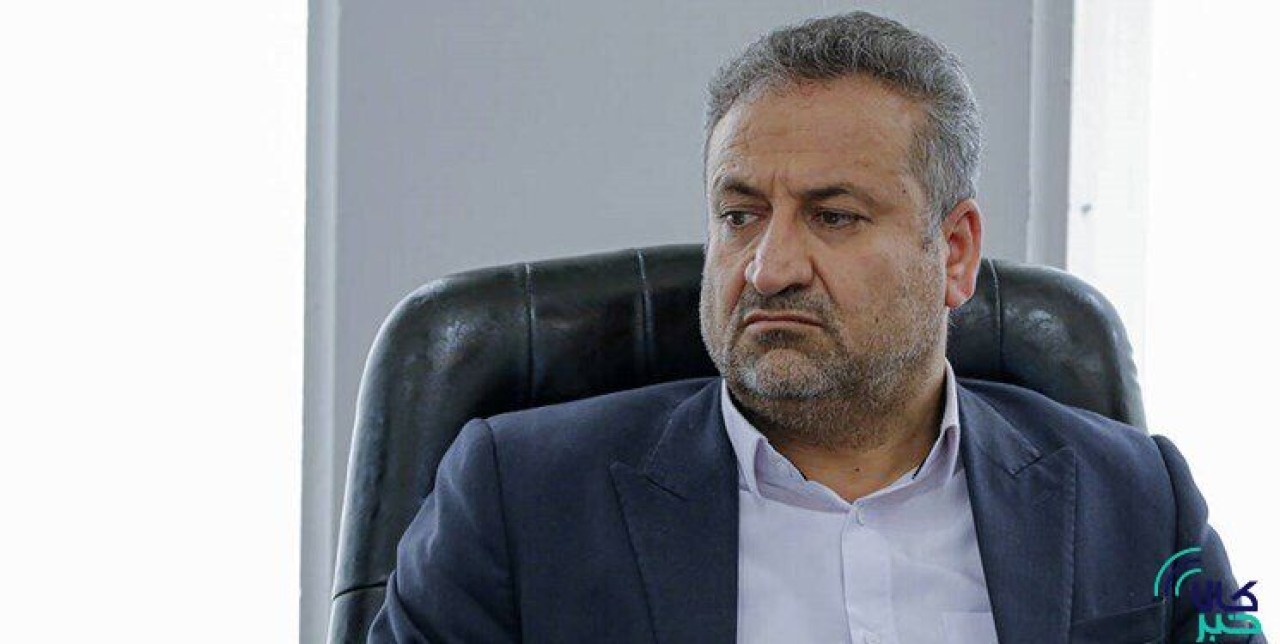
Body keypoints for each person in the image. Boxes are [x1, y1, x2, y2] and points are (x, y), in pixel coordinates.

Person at [368, 11, 1262, 643]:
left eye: (833, 217)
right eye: (740, 215)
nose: (768, 268)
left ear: (954, 252)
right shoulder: (519, 501)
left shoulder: (1139, 499)